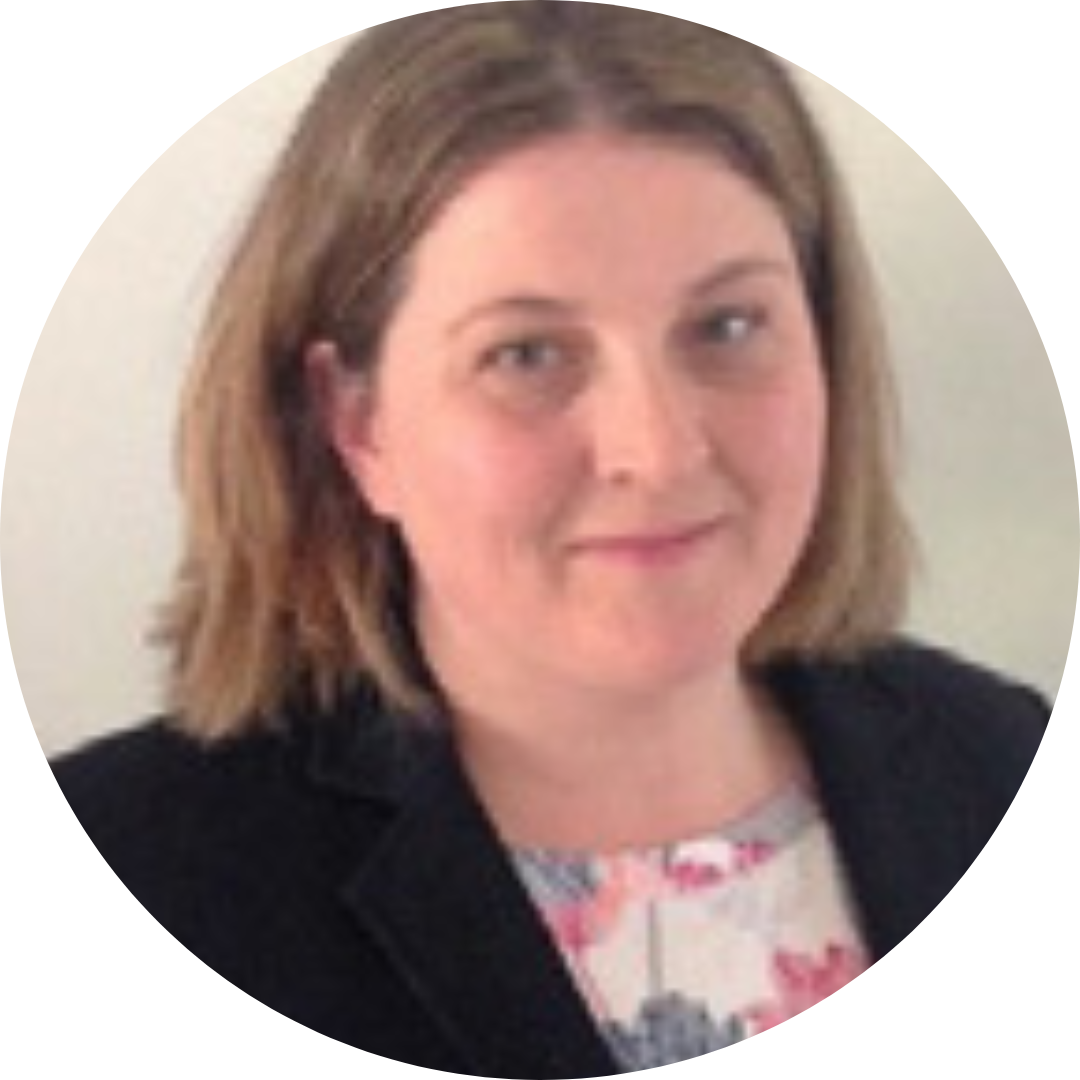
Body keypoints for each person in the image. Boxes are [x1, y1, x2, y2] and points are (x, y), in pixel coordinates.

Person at [50, 5, 1047, 1075]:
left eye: (726, 326)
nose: (657, 452)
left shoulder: (998, 754)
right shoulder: (142, 867)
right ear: (357, 421)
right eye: (526, 354)